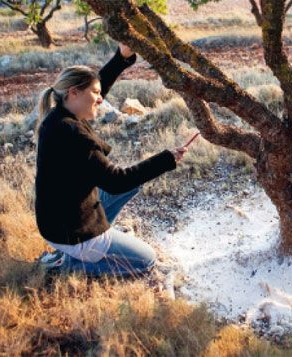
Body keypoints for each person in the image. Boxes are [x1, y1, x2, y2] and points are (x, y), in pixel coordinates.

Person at [34, 43, 187, 276]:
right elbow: (117, 182)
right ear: (73, 93)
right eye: (95, 94)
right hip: (72, 232)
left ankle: (69, 253)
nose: (100, 99)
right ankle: (67, 264)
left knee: (134, 182)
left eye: (98, 93)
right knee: (146, 260)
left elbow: (98, 86)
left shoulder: (61, 115)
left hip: (58, 219)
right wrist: (166, 159)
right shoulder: (71, 134)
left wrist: (121, 57)